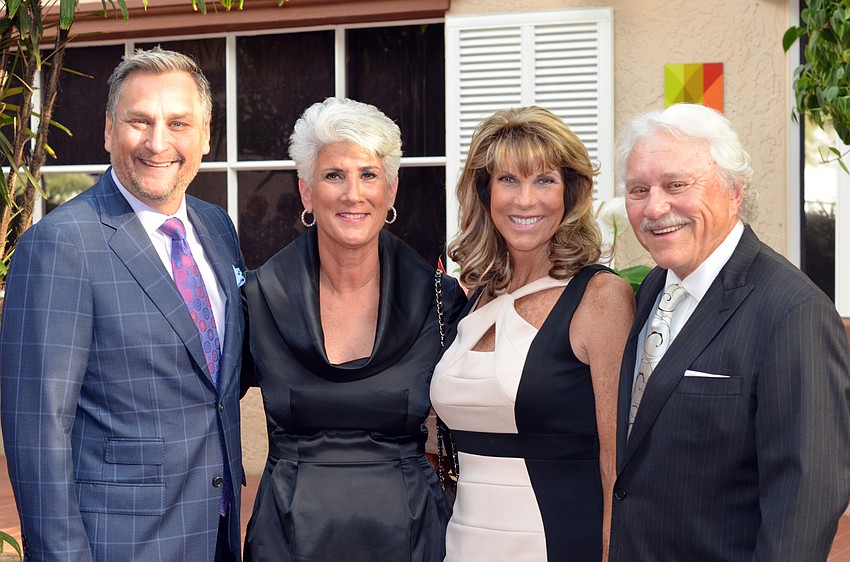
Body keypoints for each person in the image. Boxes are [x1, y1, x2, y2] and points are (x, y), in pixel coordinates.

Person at [0, 47, 248, 562]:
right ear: (110, 130)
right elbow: (38, 430)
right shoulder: (61, 246)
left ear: (205, 136)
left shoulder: (218, 228)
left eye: (178, 123)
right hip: (119, 546)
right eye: (139, 121)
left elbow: (214, 379)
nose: (158, 142)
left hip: (217, 535)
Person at [610, 102, 850, 561]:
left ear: (734, 190)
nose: (655, 207)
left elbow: (806, 500)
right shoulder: (656, 286)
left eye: (676, 185)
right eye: (639, 189)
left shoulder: (793, 312)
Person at [241, 97, 466, 562]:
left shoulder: (441, 299)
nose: (353, 193)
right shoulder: (258, 298)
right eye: (333, 175)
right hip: (286, 540)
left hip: (412, 537)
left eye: (368, 174)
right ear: (306, 192)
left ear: (392, 189)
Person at [430, 106, 635, 561]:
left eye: (544, 180)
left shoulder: (600, 298)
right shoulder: (474, 298)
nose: (525, 200)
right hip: (463, 544)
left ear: (570, 192)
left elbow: (616, 464)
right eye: (508, 180)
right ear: (485, 193)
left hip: (559, 545)